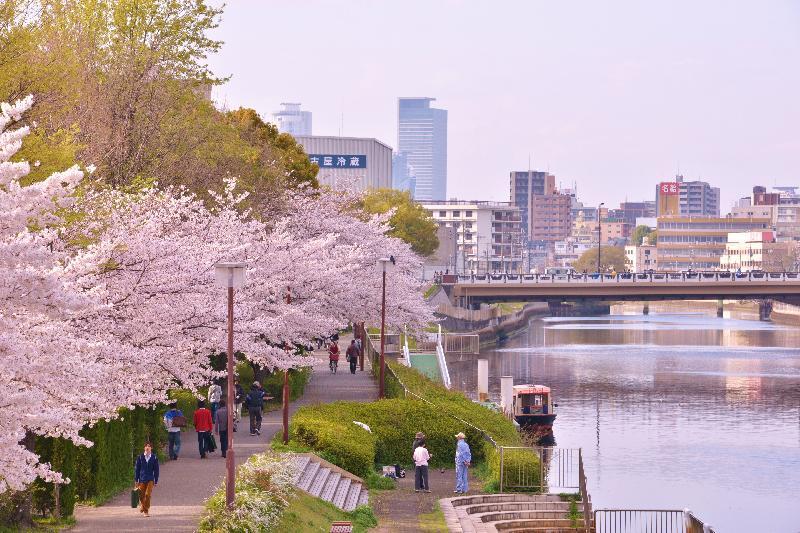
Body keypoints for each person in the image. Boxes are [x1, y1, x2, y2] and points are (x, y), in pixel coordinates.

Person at [134, 442, 159, 517]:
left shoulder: (154, 458)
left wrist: (156, 480)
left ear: (151, 448)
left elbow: (156, 470)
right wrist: (136, 480)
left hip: (150, 479)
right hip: (142, 479)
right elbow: (137, 469)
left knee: (147, 495)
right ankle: (143, 505)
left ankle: (146, 511)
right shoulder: (140, 457)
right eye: (146, 446)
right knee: (141, 496)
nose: (147, 447)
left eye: (149, 446)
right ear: (144, 448)